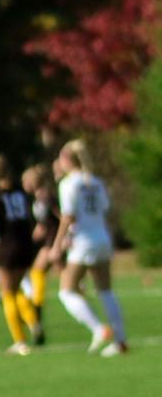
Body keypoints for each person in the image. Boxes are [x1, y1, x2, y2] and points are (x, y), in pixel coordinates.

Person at [49, 139, 128, 356]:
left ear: (66, 160)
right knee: (105, 291)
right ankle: (121, 341)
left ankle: (98, 328)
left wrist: (57, 245)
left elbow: (68, 216)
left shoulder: (68, 184)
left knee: (66, 291)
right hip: (101, 237)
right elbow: (103, 209)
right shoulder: (95, 181)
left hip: (83, 242)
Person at [0, 154, 43, 355]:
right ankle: (33, 322)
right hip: (25, 244)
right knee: (17, 290)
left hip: (6, 245)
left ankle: (20, 341)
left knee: (7, 293)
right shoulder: (20, 192)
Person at [23, 164, 60, 310]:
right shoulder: (38, 198)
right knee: (41, 271)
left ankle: (36, 304)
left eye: (25, 181)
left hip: (56, 240)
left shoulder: (47, 197)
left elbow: (62, 216)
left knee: (38, 270)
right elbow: (44, 221)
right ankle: (36, 302)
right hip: (50, 240)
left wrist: (67, 236)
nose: (23, 184)